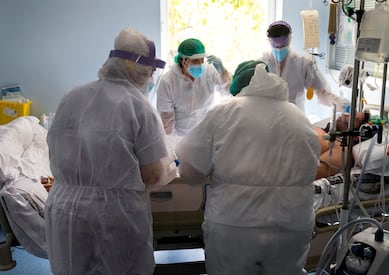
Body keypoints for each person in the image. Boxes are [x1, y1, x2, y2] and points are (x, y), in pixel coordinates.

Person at [175, 60, 320, 275]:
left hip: (236, 226)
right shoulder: (298, 116)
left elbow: (189, 170)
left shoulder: (225, 112)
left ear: (238, 88)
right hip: (292, 225)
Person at [45, 28, 170, 275]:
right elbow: (153, 176)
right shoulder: (138, 106)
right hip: (115, 214)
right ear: (141, 70)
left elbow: (53, 148)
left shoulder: (72, 96)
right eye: (151, 71)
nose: (152, 77)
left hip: (65, 210)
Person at [260, 20, 349, 113]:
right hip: (268, 119)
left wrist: (343, 105)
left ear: (290, 40)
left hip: (295, 119)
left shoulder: (303, 64)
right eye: (276, 47)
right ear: (269, 42)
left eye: (283, 46)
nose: (279, 49)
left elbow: (322, 93)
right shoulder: (261, 65)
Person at [156, 38, 232, 136]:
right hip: (181, 137)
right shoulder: (168, 81)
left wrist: (223, 73)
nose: (200, 64)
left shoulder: (210, 71)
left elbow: (229, 93)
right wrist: (173, 144)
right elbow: (166, 121)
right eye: (195, 60)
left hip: (207, 134)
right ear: (182, 60)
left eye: (202, 59)